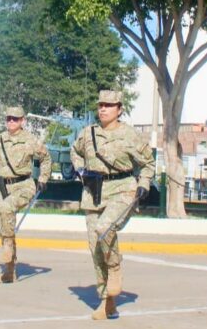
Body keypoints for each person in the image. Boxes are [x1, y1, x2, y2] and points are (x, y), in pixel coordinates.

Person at [71, 90, 153, 320]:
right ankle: (107, 302)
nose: (103, 109)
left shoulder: (131, 135)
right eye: (100, 105)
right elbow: (75, 152)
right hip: (93, 193)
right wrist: (80, 170)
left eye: (109, 105)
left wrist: (144, 183)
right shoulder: (88, 133)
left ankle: (115, 268)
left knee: (104, 228)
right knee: (96, 250)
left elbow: (148, 163)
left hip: (123, 189)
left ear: (119, 109)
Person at [0, 106, 51, 283]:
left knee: (5, 209)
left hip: (24, 185)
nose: (11, 122)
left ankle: (7, 248)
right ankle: (9, 270)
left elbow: (46, 158)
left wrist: (43, 178)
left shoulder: (31, 140)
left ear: (22, 121)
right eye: (8, 118)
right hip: (3, 185)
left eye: (15, 119)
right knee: (3, 219)